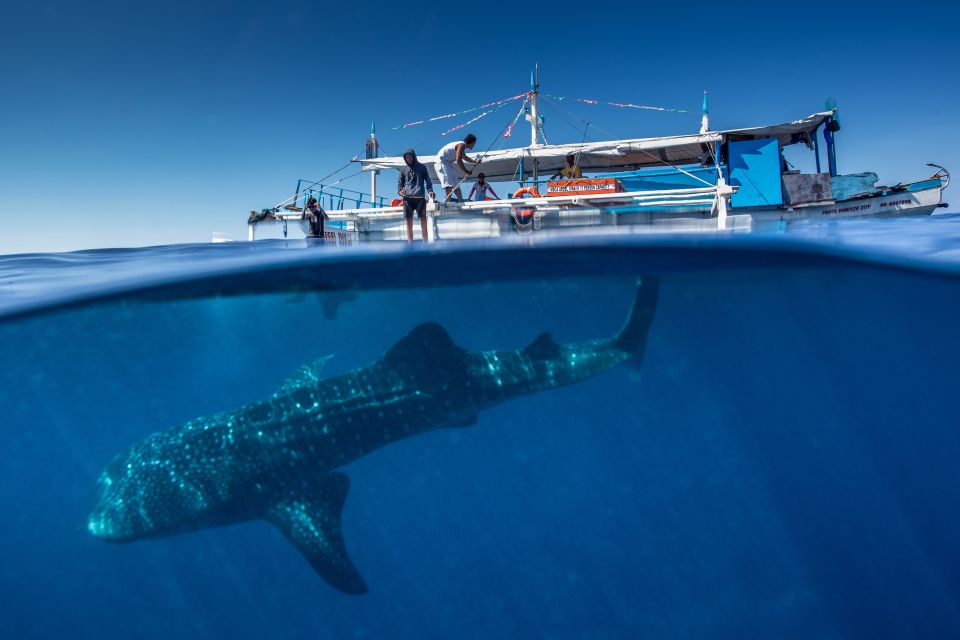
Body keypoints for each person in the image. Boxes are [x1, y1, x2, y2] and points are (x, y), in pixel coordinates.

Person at [397, 148, 436, 243]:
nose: (408, 159)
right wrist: (400, 192)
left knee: (424, 223)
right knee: (409, 225)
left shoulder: (422, 167)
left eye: (410, 157)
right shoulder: (403, 169)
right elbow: (400, 184)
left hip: (420, 198)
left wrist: (430, 191)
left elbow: (427, 180)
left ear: (413, 156)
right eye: (406, 157)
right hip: (407, 199)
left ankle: (425, 244)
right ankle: (410, 245)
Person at [436, 133, 479, 202]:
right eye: (474, 143)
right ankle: (448, 203)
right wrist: (466, 171)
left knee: (456, 184)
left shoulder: (462, 146)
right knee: (449, 185)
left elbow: (464, 157)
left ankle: (461, 201)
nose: (474, 145)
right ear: (472, 142)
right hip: (441, 162)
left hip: (448, 163)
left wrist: (475, 161)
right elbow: (458, 159)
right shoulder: (461, 145)